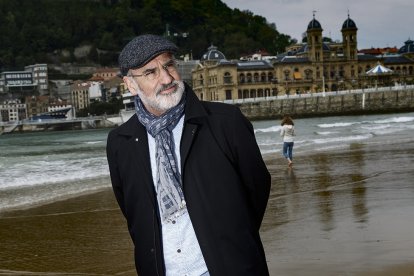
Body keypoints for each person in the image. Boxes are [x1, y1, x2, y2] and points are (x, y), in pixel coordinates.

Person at [106, 34, 271, 276]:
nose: (167, 78)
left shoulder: (226, 123)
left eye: (169, 65)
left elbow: (256, 189)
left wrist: (230, 244)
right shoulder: (121, 142)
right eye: (151, 72)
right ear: (131, 85)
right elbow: (135, 214)